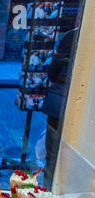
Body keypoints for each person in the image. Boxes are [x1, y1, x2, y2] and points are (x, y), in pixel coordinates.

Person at [41, 28, 78, 188]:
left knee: (53, 151)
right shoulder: (73, 35)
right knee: (60, 153)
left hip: (60, 97)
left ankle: (49, 190)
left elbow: (54, 67)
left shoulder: (72, 35)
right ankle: (50, 192)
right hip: (62, 98)